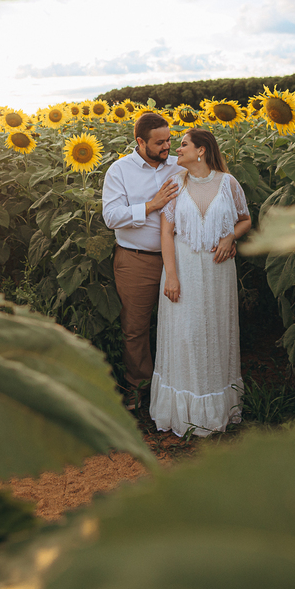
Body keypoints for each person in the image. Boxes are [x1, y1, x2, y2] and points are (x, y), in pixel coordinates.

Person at [150, 128, 251, 436]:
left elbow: (245, 219)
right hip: (183, 269)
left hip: (218, 272)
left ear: (202, 151)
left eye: (183, 145)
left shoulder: (228, 183)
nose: (176, 150)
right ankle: (184, 411)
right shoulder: (175, 185)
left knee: (216, 331)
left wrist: (229, 237)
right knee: (185, 334)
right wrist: (172, 276)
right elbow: (166, 233)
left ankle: (217, 408)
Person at [101, 112, 184, 407]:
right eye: (159, 143)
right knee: (135, 328)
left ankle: (175, 389)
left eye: (170, 140)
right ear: (140, 141)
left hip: (180, 259)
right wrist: (152, 205)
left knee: (179, 323)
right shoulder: (120, 171)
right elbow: (111, 217)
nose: (167, 148)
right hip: (137, 260)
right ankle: (139, 391)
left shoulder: (178, 165)